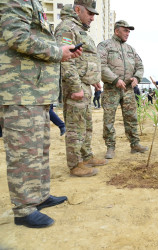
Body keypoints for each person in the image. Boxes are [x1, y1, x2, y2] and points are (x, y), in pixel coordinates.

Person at [0, 0, 82, 228]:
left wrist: (64, 53)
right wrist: (57, 51)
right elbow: (16, 37)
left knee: (39, 148)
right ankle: (23, 209)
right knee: (23, 152)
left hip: (35, 91)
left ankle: (39, 196)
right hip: (19, 90)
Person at [54, 1, 107, 177]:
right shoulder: (66, 28)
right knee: (76, 127)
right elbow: (66, 61)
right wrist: (76, 87)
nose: (92, 18)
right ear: (78, 10)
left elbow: (84, 59)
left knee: (86, 125)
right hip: (75, 86)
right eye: (90, 14)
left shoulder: (79, 29)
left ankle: (86, 156)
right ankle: (75, 164)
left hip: (84, 85)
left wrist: (93, 80)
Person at [97, 20, 148, 159]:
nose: (128, 33)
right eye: (125, 30)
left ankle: (135, 144)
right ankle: (110, 147)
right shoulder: (105, 46)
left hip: (128, 90)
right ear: (116, 31)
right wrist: (115, 79)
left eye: (129, 31)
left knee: (131, 117)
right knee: (109, 119)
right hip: (111, 88)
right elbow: (100, 65)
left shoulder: (130, 49)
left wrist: (137, 77)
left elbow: (140, 65)